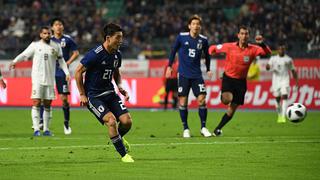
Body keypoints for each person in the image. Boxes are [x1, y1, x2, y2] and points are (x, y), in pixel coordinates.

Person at [74, 23, 134, 163]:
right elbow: (78, 72)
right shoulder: (95, 54)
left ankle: (118, 138)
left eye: (121, 38)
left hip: (110, 93)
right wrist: (82, 94)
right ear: (108, 38)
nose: (120, 41)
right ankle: (124, 155)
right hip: (94, 96)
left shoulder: (117, 54)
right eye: (117, 38)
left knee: (127, 122)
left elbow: (116, 72)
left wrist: (119, 85)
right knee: (111, 121)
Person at [209, 26, 271, 136]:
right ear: (238, 35)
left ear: (248, 36)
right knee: (227, 99)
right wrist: (209, 53)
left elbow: (267, 53)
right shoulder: (229, 46)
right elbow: (213, 48)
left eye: (246, 34)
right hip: (228, 78)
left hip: (241, 82)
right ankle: (223, 95)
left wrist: (261, 44)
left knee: (232, 109)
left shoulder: (253, 49)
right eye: (242, 33)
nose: (244, 36)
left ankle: (218, 129)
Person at [9, 26, 70, 136]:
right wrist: (15, 61)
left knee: (47, 104)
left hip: (50, 80)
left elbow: (62, 61)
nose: (47, 35)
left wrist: (67, 73)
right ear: (41, 35)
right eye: (45, 33)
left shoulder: (56, 46)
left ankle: (46, 129)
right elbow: (24, 55)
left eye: (48, 33)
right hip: (37, 79)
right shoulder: (35, 46)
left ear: (51, 34)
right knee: (36, 102)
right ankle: (36, 129)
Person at [166, 14, 213, 138]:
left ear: (200, 26)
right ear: (189, 26)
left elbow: (207, 56)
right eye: (193, 24)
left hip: (197, 75)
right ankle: (185, 128)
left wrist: (208, 69)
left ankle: (203, 127)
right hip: (183, 75)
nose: (196, 26)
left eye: (198, 24)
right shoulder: (181, 37)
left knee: (202, 99)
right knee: (183, 101)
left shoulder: (203, 40)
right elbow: (173, 51)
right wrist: (169, 66)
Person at [39, 18, 79, 135]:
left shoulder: (67, 39)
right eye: (56, 25)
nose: (58, 26)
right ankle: (41, 121)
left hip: (62, 72)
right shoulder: (48, 40)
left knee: (64, 100)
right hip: (49, 72)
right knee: (45, 97)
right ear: (52, 27)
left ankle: (66, 123)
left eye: (60, 24)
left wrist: (68, 63)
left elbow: (76, 53)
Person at [266, 42, 298, 123]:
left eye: (283, 49)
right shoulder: (273, 58)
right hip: (276, 81)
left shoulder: (288, 59)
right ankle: (279, 114)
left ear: (284, 50)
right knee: (277, 99)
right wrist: (268, 67)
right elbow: (268, 67)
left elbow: (293, 71)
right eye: (280, 49)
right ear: (277, 50)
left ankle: (283, 116)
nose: (281, 50)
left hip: (285, 80)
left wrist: (296, 82)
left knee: (284, 96)